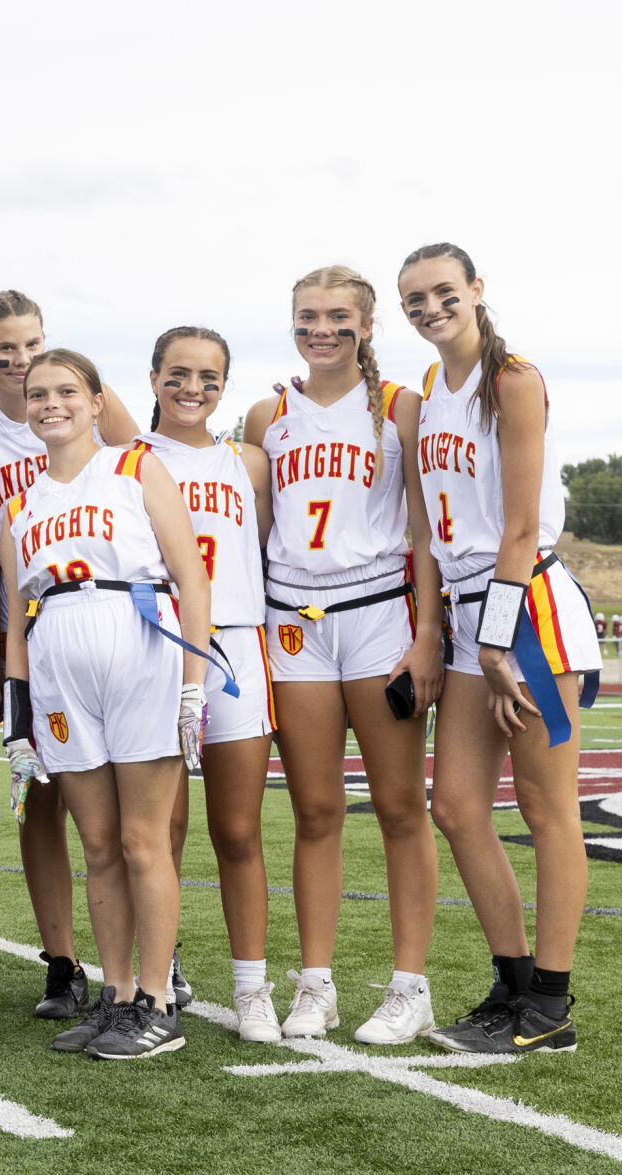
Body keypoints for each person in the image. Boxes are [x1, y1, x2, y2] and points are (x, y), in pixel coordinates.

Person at [399, 242, 600, 1054]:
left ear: (475, 289)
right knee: (453, 807)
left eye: (442, 291)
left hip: (527, 613)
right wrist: (444, 628)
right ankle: (510, 984)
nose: (429, 307)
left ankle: (549, 1006)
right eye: (413, 299)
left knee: (549, 812)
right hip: (468, 611)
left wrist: (490, 638)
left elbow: (519, 526)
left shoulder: (511, 379)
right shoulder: (429, 389)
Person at [243, 265, 443, 1045]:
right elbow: (253, 533)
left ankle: (408, 984)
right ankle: (315, 983)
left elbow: (423, 527)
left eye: (336, 316)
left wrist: (426, 633)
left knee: (399, 808)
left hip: (375, 618)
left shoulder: (400, 408)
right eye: (305, 316)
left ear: (366, 324)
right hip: (292, 621)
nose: (319, 329)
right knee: (314, 810)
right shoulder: (266, 413)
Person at [2, 348, 206, 1059]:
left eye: (65, 391)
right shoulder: (22, 501)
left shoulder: (134, 466)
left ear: (95, 401)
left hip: (137, 644)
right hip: (58, 662)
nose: (49, 403)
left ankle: (156, 1000)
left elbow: (190, 576)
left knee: (140, 839)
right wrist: (16, 718)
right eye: (36, 394)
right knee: (96, 844)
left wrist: (192, 681)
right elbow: (14, 618)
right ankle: (115, 994)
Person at [0, 289, 142, 1021]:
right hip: (28, 633)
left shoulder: (86, 403)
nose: (17, 358)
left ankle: (150, 958)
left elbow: (141, 481)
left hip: (111, 628)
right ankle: (62, 961)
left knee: (130, 810)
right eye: (3, 348)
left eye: (29, 343)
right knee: (41, 802)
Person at [133, 326, 280, 1040]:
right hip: (156, 643)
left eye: (208, 377)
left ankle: (252, 987)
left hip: (236, 645)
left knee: (237, 828)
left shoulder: (247, 461)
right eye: (178, 373)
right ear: (153, 375)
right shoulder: (125, 457)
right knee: (158, 826)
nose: (192, 388)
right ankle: (156, 973)